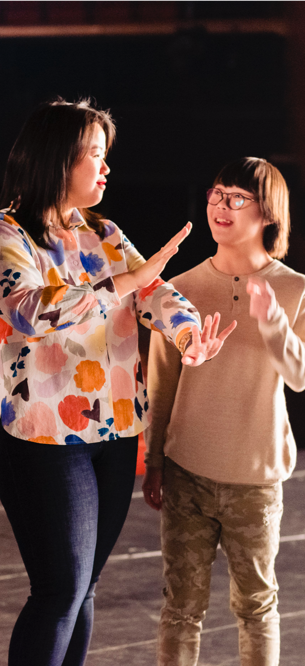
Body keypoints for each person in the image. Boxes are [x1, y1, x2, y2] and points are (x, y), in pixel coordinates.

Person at [0, 98, 235, 666]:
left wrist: (187, 335)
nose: (106, 167)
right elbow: (26, 310)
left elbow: (152, 291)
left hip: (112, 430)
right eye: (95, 155)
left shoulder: (103, 233)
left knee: (84, 589)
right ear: (60, 160)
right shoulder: (2, 234)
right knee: (60, 590)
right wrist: (127, 283)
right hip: (38, 436)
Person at [143, 156, 305, 666]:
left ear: (268, 214)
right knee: (180, 610)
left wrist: (274, 322)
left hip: (255, 481)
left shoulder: (295, 288)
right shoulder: (182, 289)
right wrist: (154, 459)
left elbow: (300, 377)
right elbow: (161, 381)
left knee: (257, 607)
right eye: (216, 193)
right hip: (186, 471)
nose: (221, 205)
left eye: (237, 197)